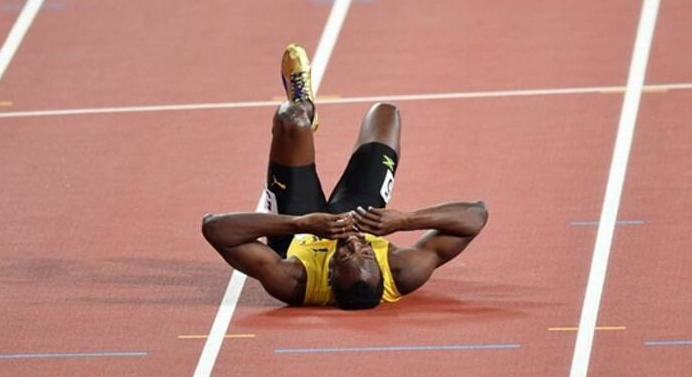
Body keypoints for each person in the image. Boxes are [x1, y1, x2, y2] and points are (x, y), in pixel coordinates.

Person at [202, 44, 488, 309]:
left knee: (291, 119)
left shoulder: (294, 281)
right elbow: (476, 215)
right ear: (381, 266)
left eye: (345, 255)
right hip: (358, 215)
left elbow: (214, 228)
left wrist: (303, 222)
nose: (353, 243)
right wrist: (405, 220)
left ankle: (305, 106)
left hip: (297, 231)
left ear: (330, 275)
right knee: (386, 114)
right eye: (365, 253)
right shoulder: (402, 270)